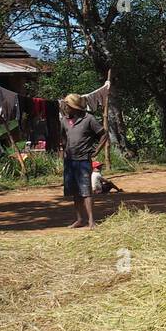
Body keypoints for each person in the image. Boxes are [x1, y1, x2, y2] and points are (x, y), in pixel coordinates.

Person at [61, 93, 106, 230]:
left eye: (67, 106)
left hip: (83, 160)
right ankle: (80, 219)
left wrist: (97, 150)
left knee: (86, 191)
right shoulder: (64, 120)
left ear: (74, 107)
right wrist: (63, 150)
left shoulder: (89, 119)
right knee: (75, 191)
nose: (65, 108)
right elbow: (63, 136)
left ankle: (91, 221)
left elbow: (103, 134)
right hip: (70, 160)